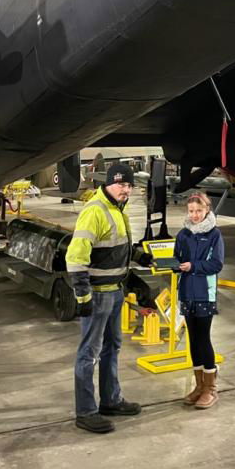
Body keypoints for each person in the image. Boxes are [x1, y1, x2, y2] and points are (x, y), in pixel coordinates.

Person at [66, 162, 150, 434]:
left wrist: (140, 257)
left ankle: (111, 400)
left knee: (111, 348)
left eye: (128, 185)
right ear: (108, 184)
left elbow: (115, 247)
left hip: (115, 292)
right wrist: (83, 297)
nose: (125, 190)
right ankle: (86, 411)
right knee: (88, 354)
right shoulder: (95, 210)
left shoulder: (117, 209)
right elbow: (75, 258)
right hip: (98, 295)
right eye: (121, 185)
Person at [174, 191, 224, 409]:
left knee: (204, 339)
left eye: (199, 211)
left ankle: (210, 389)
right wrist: (173, 264)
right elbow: (177, 257)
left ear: (207, 210)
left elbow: (216, 264)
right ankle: (199, 385)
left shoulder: (214, 235)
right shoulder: (183, 235)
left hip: (205, 293)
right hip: (186, 292)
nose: (195, 215)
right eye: (192, 211)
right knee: (192, 340)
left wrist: (194, 266)